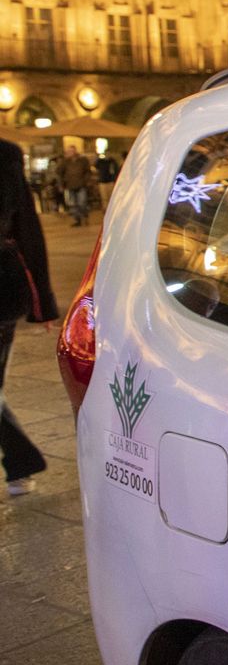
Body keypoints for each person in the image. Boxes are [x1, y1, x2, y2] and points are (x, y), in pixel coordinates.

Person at [1, 136, 59, 497]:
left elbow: (26, 228)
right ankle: (22, 459)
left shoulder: (5, 155)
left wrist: (43, 302)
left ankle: (22, 459)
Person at [59, 144, 92, 226]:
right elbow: (60, 172)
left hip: (81, 185)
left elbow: (87, 171)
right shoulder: (65, 162)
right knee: (73, 204)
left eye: (71, 151)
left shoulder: (82, 160)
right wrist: (62, 184)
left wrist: (86, 181)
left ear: (75, 151)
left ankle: (84, 216)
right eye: (69, 151)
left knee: (82, 202)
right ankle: (77, 220)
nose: (70, 153)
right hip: (70, 185)